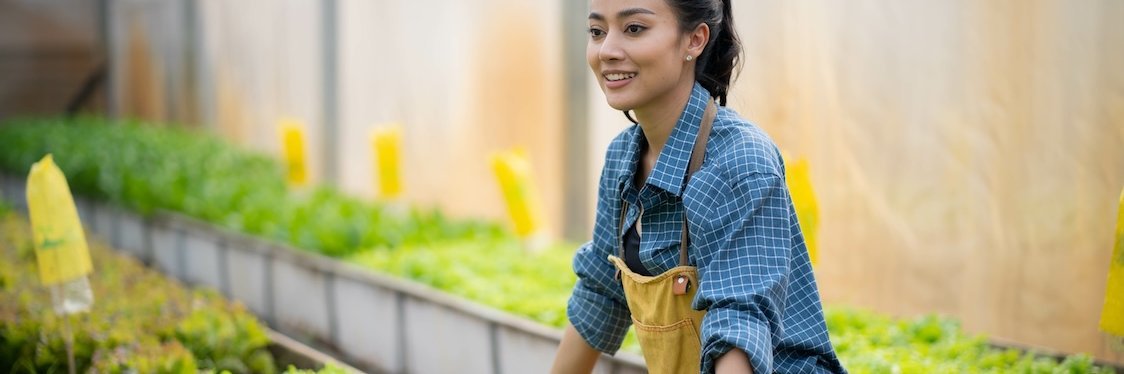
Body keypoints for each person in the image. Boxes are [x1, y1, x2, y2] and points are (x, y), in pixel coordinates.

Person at [550, 0, 846, 373]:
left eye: (634, 29)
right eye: (597, 31)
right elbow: (601, 293)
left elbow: (738, 332)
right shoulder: (623, 157)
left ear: (694, 40)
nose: (607, 50)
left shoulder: (739, 162)